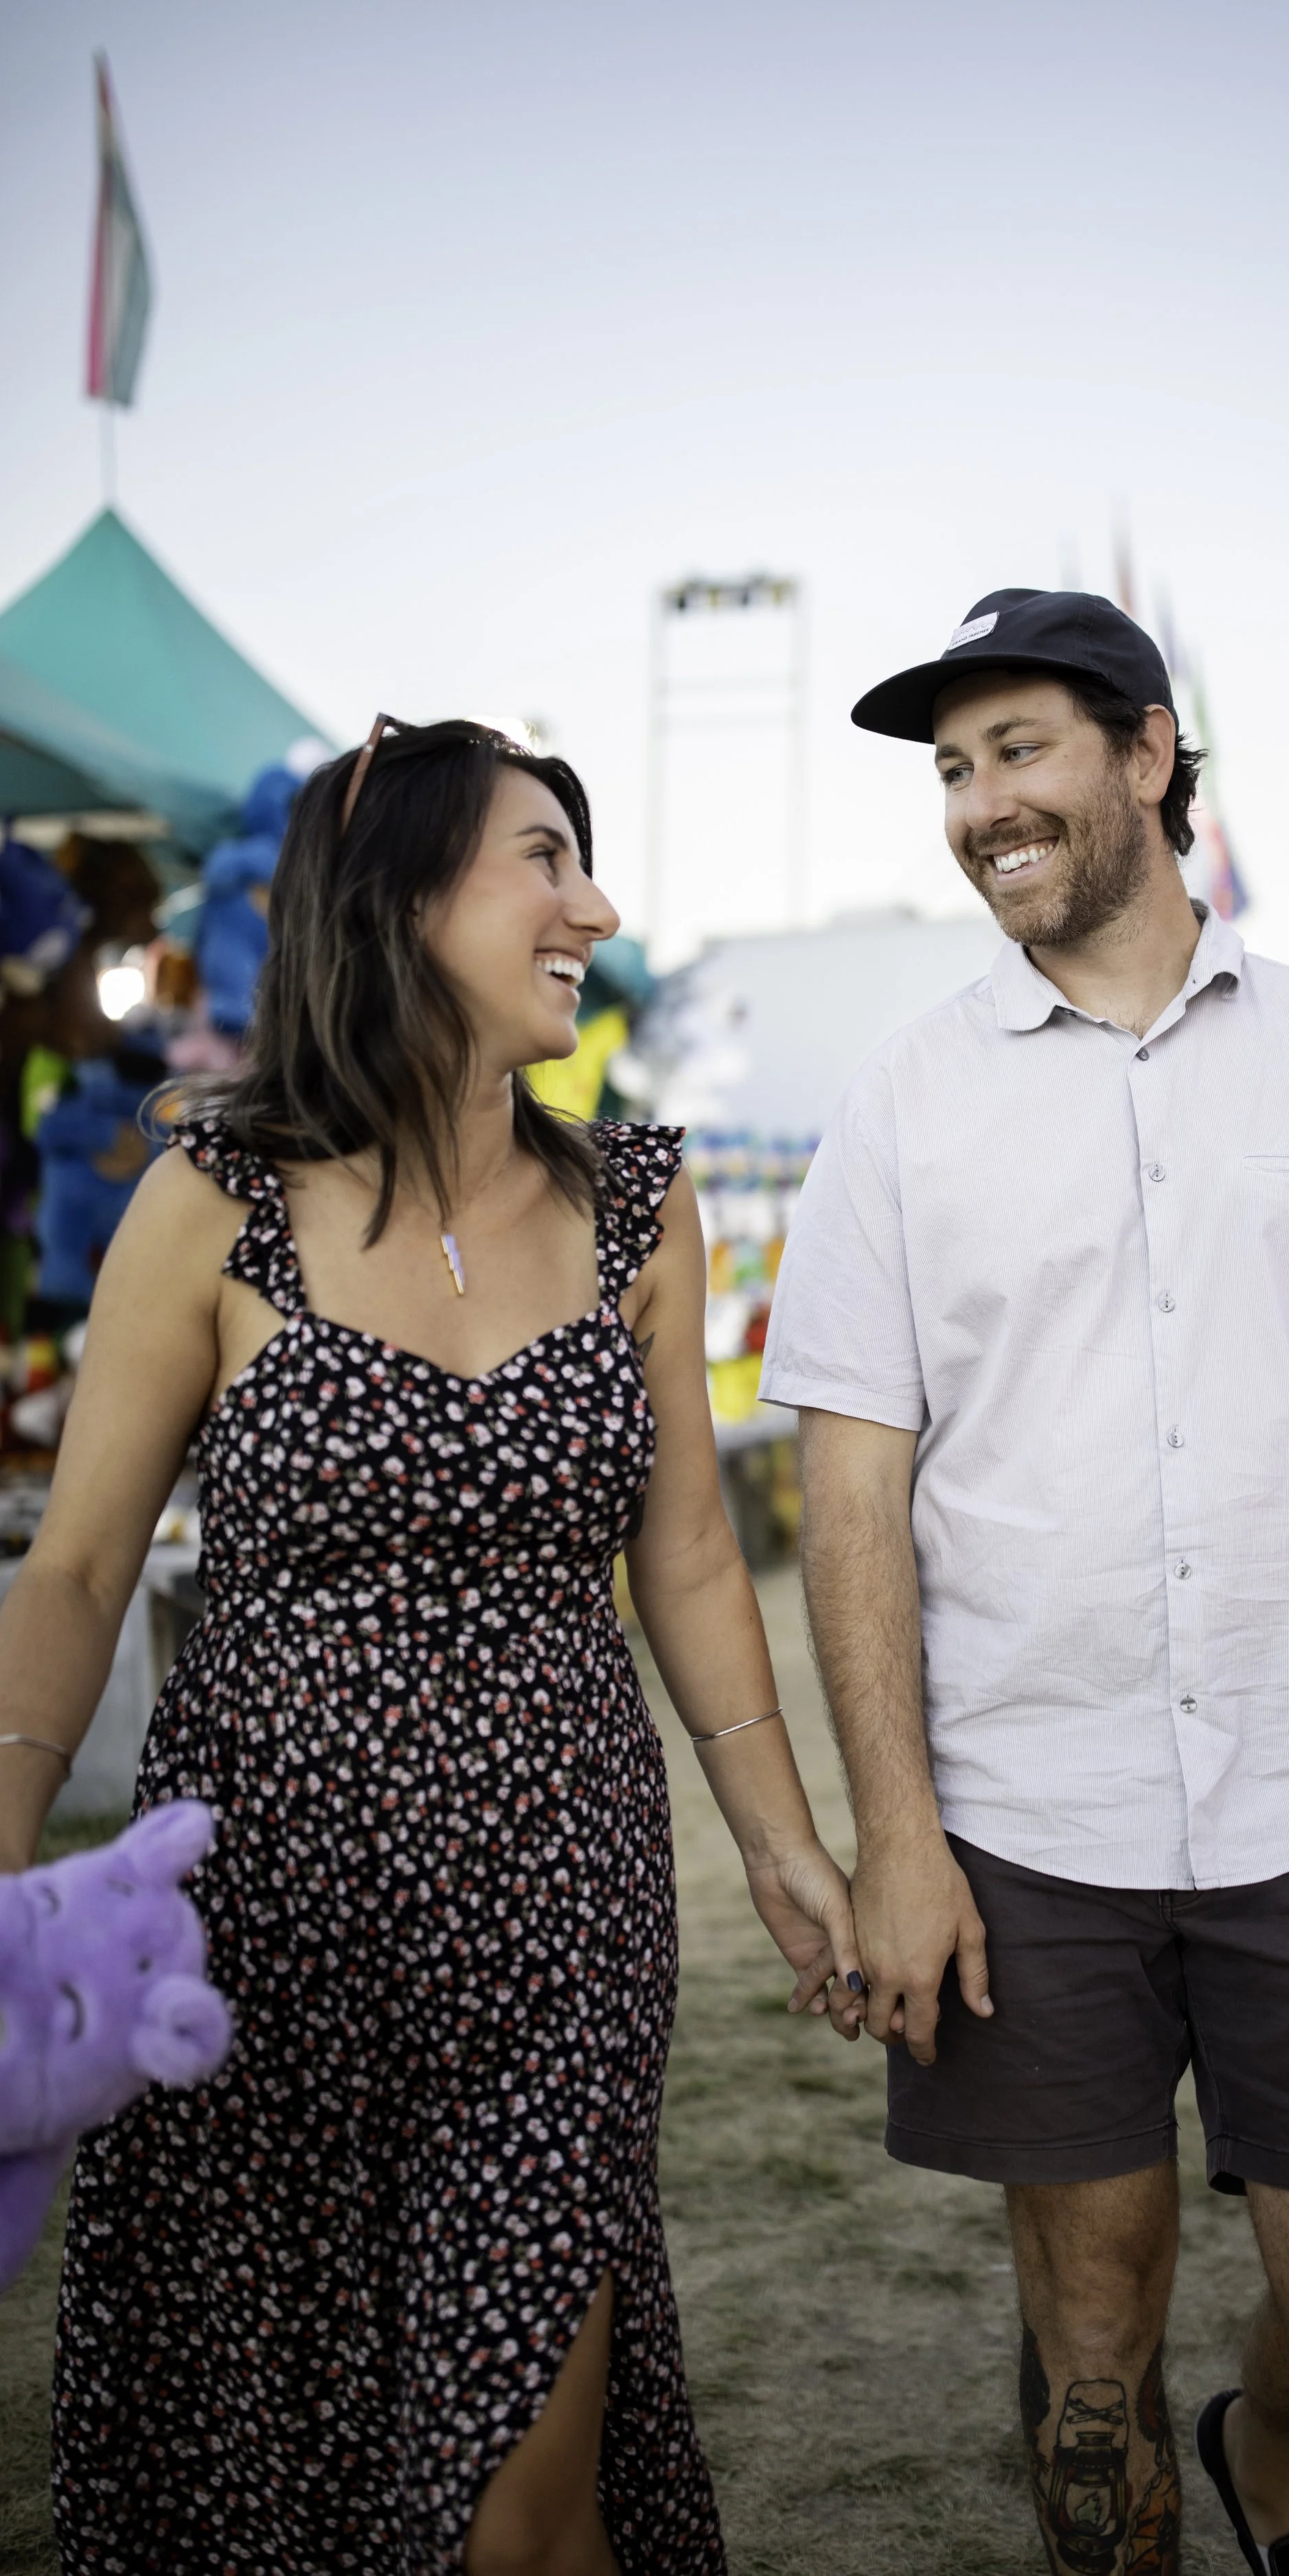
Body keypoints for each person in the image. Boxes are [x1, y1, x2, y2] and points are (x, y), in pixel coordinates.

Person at [761, 592, 1289, 2576]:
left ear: (1146, 755)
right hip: (1028, 1826)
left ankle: (1272, 2448)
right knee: (1085, 2357)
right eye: (953, 770)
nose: (979, 805)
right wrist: (897, 1830)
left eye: (1021, 749)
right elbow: (850, 1486)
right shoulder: (902, 1100)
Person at [0, 718, 863, 2576]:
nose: (596, 906)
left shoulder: (638, 1203)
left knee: (510, 2509)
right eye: (543, 857)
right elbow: (74, 1576)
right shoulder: (205, 1200)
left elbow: (696, 1556)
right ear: (395, 897)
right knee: (268, 2458)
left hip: (562, 1924)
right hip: (253, 1946)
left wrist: (787, 1848)